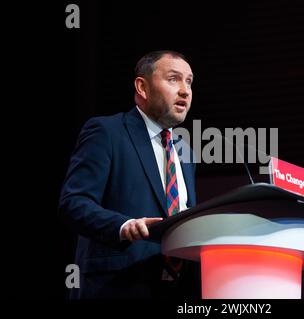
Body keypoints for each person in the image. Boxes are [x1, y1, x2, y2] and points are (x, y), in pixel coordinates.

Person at [59, 50, 200, 299]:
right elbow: (73, 203)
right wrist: (123, 226)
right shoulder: (107, 132)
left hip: (176, 290)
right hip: (117, 287)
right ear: (142, 87)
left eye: (189, 81)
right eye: (173, 79)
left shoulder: (185, 151)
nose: (185, 91)